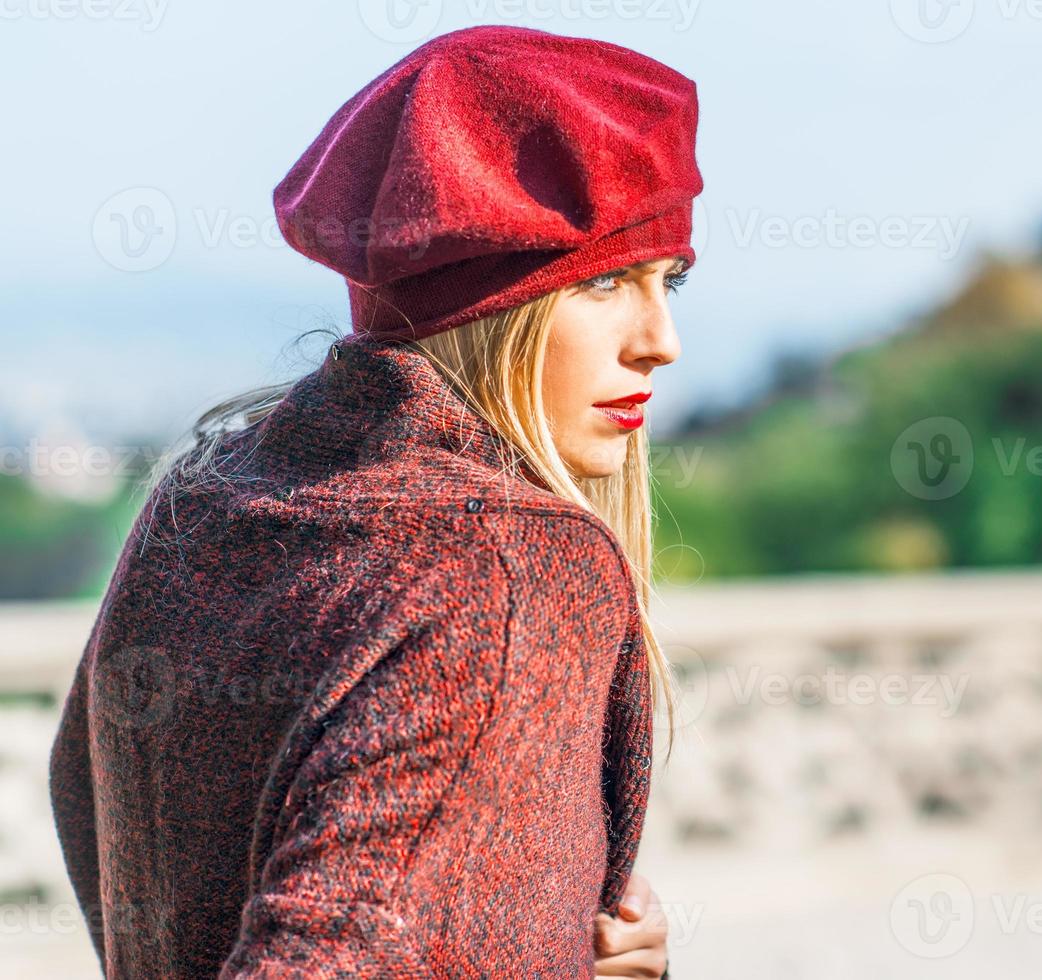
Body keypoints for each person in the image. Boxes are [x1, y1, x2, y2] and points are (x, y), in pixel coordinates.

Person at [47, 24, 702, 978]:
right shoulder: (510, 565)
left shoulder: (204, 501)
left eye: (667, 279)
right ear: (497, 308)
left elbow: (87, 806)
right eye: (605, 282)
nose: (661, 340)